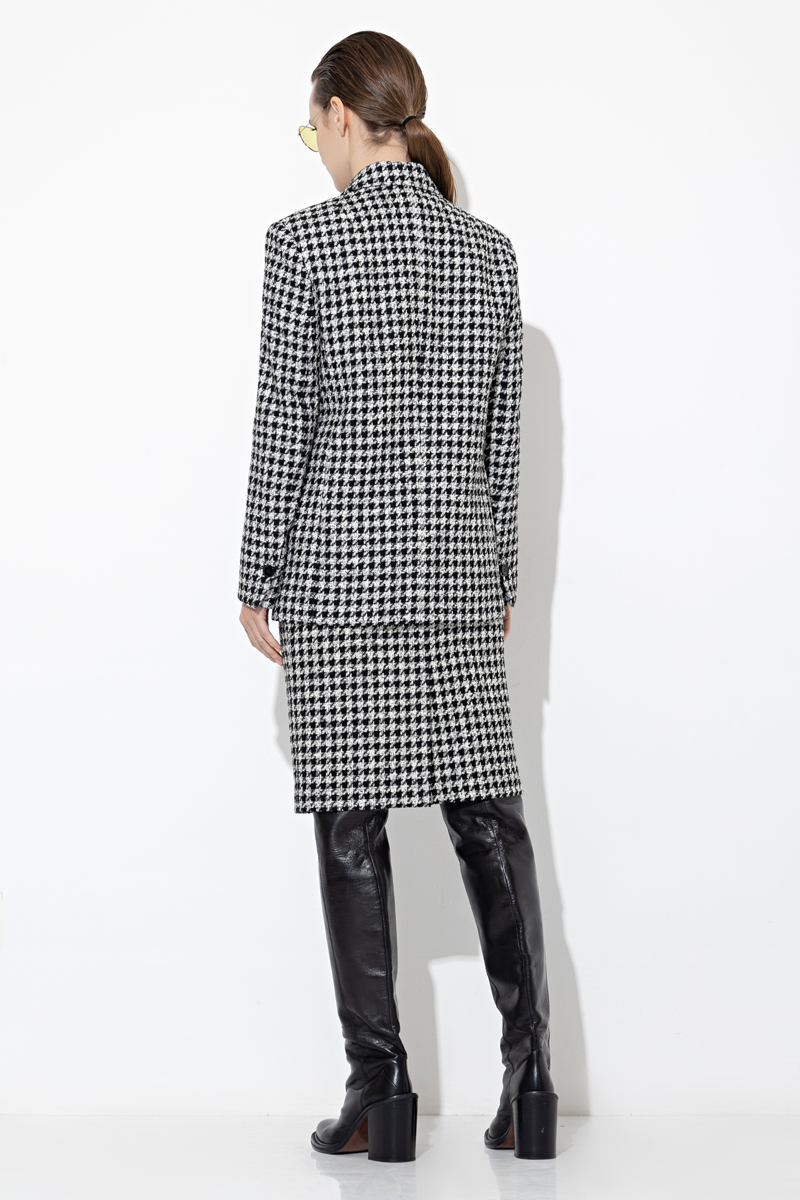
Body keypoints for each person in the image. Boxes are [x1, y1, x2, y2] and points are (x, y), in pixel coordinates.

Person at [237, 30, 557, 1163]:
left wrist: (255, 573)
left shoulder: (303, 245)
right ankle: (531, 1078)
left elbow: (286, 417)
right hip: (459, 579)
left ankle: (380, 1089)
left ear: (338, 114)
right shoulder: (488, 253)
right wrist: (499, 574)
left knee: (351, 826)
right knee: (487, 817)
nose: (315, 147)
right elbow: (501, 439)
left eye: (311, 126)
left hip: (339, 577)